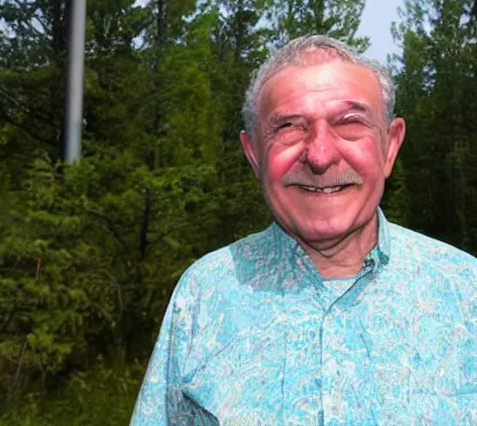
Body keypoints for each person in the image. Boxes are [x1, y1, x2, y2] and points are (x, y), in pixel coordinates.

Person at [130, 35, 477, 425]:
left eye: (349, 123)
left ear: (390, 146)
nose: (320, 155)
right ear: (254, 154)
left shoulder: (467, 293)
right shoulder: (203, 295)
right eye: (289, 127)